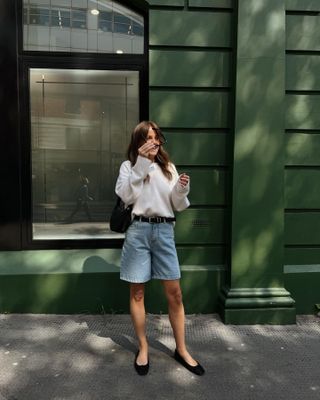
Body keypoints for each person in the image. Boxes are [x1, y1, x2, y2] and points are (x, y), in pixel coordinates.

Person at [115, 121, 205, 376]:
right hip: (138, 231)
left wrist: (181, 187)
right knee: (138, 293)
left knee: (175, 293)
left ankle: (182, 349)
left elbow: (177, 204)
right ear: (139, 142)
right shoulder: (129, 167)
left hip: (164, 231)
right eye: (148, 138)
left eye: (157, 138)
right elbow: (126, 197)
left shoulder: (169, 167)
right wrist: (141, 164)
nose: (154, 142)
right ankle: (143, 348)